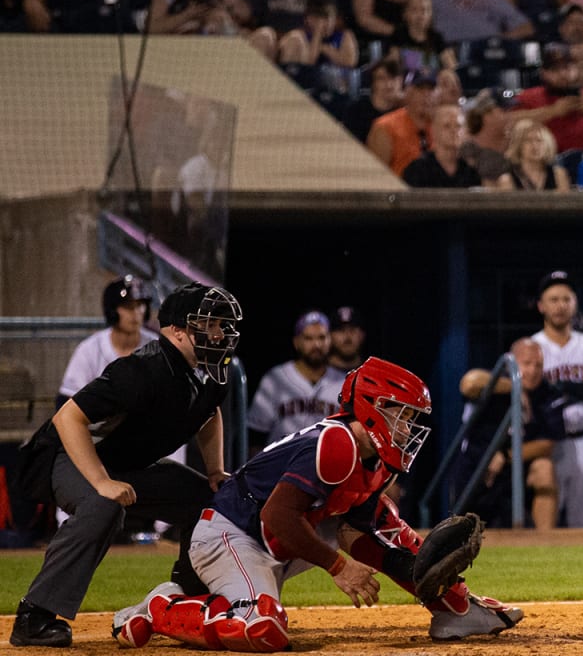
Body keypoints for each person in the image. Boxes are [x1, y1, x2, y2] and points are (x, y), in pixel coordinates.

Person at [111, 357, 522, 650]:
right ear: (373, 409)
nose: (409, 427)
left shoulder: (376, 459)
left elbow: (356, 529)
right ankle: (162, 606)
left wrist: (412, 568)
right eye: (402, 414)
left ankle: (455, 606)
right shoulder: (337, 443)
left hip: (277, 537)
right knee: (263, 630)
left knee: (382, 520)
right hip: (232, 533)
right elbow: (277, 513)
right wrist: (339, 567)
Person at [10, 284, 241, 648]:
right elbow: (68, 419)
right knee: (103, 506)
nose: (219, 333)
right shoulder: (143, 369)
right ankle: (33, 616)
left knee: (209, 501)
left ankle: (185, 595)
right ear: (177, 330)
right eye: (210, 323)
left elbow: (208, 414)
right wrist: (101, 481)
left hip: (122, 464)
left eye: (221, 324)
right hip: (62, 455)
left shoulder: (210, 371)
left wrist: (215, 470)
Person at [531, 271, 583, 529]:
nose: (560, 306)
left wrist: (561, 387)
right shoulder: (532, 346)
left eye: (566, 299)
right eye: (553, 299)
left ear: (575, 303)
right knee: (547, 520)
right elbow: (534, 393)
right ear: (541, 306)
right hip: (547, 442)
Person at [458, 339, 560, 530]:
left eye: (538, 365)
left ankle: (545, 545)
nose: (533, 370)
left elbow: (547, 443)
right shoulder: (496, 385)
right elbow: (468, 383)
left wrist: (505, 456)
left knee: (544, 468)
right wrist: (514, 386)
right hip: (478, 471)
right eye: (527, 364)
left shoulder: (546, 392)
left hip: (514, 471)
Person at [246, 311, 348, 453]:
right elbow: (256, 435)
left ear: (330, 340)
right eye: (308, 338)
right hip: (281, 464)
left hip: (328, 465)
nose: (316, 345)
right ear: (296, 342)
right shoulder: (275, 379)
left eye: (322, 337)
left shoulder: (344, 383)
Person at [510, 42, 583, 154]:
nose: (563, 74)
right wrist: (552, 111)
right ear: (543, 73)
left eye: (567, 68)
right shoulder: (529, 96)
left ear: (576, 70)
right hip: (547, 163)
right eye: (555, 70)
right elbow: (507, 124)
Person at [56, 276, 158, 406]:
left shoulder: (156, 347)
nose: (136, 313)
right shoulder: (90, 349)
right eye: (128, 306)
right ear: (112, 311)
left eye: (140, 305)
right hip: (97, 424)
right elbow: (67, 399)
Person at [402, 103, 480, 188]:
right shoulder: (417, 170)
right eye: (447, 126)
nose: (454, 131)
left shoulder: (471, 172)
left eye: (458, 126)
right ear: (434, 130)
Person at [459, 88, 516, 186]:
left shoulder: (516, 145)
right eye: (504, 111)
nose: (510, 116)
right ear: (486, 115)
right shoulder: (467, 149)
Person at [499, 120, 572, 191]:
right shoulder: (507, 179)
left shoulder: (558, 175)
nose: (535, 146)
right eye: (528, 140)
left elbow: (564, 202)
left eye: (539, 140)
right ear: (518, 144)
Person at [328, 306, 367, 372]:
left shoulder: (373, 372)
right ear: (330, 335)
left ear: (362, 335)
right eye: (341, 330)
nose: (347, 336)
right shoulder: (317, 373)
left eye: (352, 330)